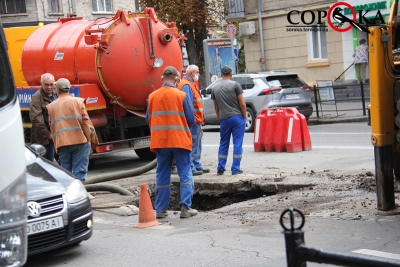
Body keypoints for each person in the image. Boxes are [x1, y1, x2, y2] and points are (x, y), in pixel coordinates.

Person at [146, 66, 198, 219]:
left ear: (162, 78)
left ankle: (161, 210)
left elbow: (148, 120)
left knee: (162, 174)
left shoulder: (152, 96)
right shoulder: (181, 95)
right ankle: (185, 208)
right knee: (185, 173)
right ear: (176, 79)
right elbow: (191, 119)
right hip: (179, 140)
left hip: (160, 141)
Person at [46, 78, 91, 182]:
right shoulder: (79, 102)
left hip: (62, 143)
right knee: (79, 171)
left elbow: (51, 127)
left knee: (66, 173)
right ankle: (79, 192)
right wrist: (88, 140)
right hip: (79, 141)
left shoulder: (51, 106)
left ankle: (69, 194)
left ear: (57, 89)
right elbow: (85, 122)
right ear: (68, 88)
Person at [211, 66, 246, 175]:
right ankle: (235, 169)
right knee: (237, 144)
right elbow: (242, 103)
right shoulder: (235, 85)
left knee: (223, 143)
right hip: (237, 118)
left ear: (221, 75)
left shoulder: (214, 88)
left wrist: (220, 117)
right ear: (231, 75)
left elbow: (216, 107)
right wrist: (244, 116)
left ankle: (220, 168)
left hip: (224, 119)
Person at [178, 65, 210, 176]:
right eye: (197, 72)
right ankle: (191, 167)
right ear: (191, 73)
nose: (199, 74)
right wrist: (193, 120)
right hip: (193, 121)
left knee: (197, 144)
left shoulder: (190, 84)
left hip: (197, 121)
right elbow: (189, 105)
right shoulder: (186, 85)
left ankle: (197, 165)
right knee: (192, 145)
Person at [29, 73, 58, 162]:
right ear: (41, 84)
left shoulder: (57, 94)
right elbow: (36, 118)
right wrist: (48, 134)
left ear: (54, 84)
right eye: (46, 85)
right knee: (48, 163)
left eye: (51, 84)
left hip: (57, 135)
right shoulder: (37, 97)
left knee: (63, 163)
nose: (49, 87)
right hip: (45, 138)